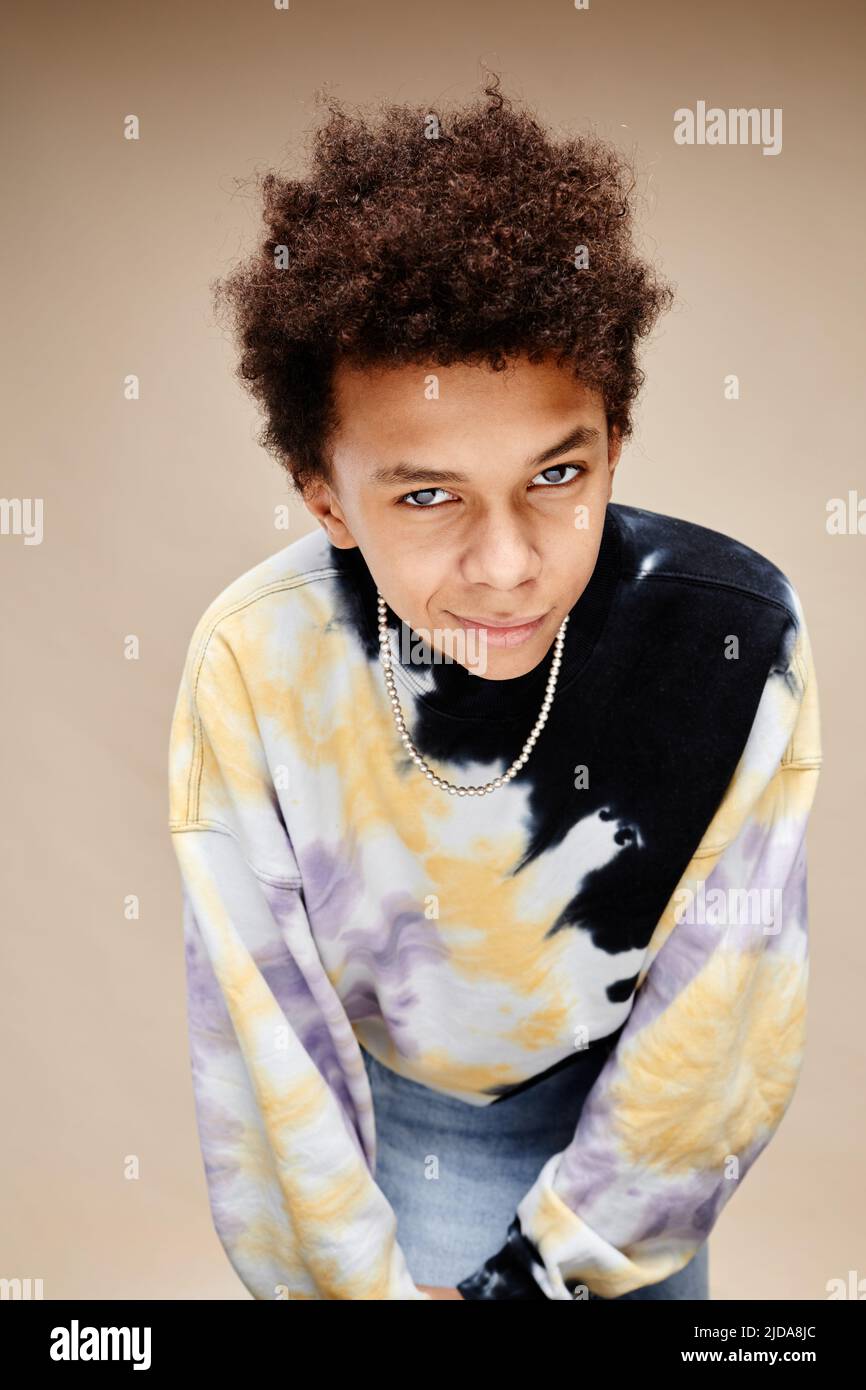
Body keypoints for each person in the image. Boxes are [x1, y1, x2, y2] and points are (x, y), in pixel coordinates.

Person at [167, 76, 822, 1301]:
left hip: (626, 1168)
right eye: (426, 495)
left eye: (555, 473)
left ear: (613, 444)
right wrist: (352, 1284)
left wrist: (554, 1272)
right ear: (324, 497)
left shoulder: (733, 637)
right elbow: (263, 1035)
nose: (508, 562)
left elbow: (720, 1018)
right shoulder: (256, 660)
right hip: (375, 1157)